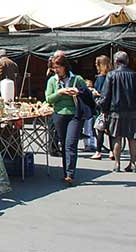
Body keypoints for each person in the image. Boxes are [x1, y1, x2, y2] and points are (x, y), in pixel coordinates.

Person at [45, 53, 90, 184]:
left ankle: (70, 174)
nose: (56, 70)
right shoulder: (52, 81)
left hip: (75, 114)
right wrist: (60, 92)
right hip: (59, 114)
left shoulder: (77, 79)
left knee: (71, 143)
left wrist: (77, 92)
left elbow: (87, 94)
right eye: (54, 68)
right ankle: (66, 172)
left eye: (58, 67)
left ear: (65, 67)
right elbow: (49, 98)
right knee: (64, 143)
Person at [100, 51, 136, 172]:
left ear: (116, 61)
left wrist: (103, 109)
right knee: (132, 138)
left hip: (116, 111)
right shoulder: (134, 75)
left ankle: (117, 163)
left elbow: (106, 95)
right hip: (132, 110)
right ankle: (133, 163)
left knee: (117, 137)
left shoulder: (111, 75)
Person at [90, 55, 113, 160]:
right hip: (111, 106)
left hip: (101, 107)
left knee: (99, 129)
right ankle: (112, 151)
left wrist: (94, 92)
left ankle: (98, 151)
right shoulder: (112, 76)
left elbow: (99, 92)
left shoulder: (100, 78)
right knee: (111, 130)